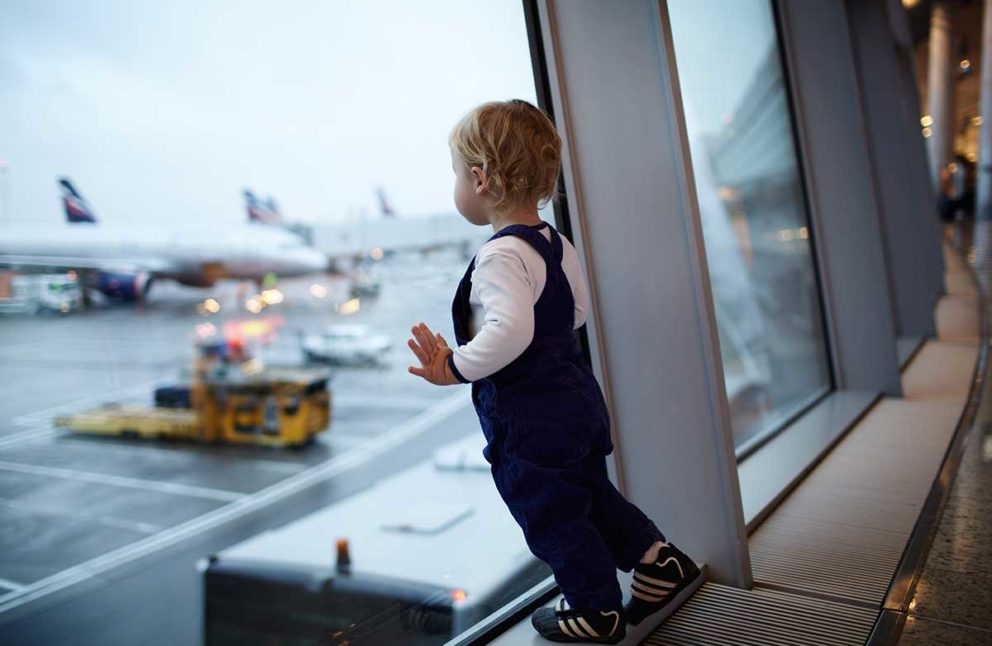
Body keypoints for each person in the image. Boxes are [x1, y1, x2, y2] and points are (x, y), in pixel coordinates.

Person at [406, 99, 701, 644]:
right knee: (589, 491)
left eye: (455, 173)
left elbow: (511, 332)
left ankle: (595, 609)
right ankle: (660, 563)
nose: (455, 185)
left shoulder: (499, 256)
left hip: (533, 417)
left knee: (550, 512)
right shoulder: (552, 242)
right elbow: (577, 312)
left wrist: (456, 365)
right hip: (577, 399)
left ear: (481, 179)